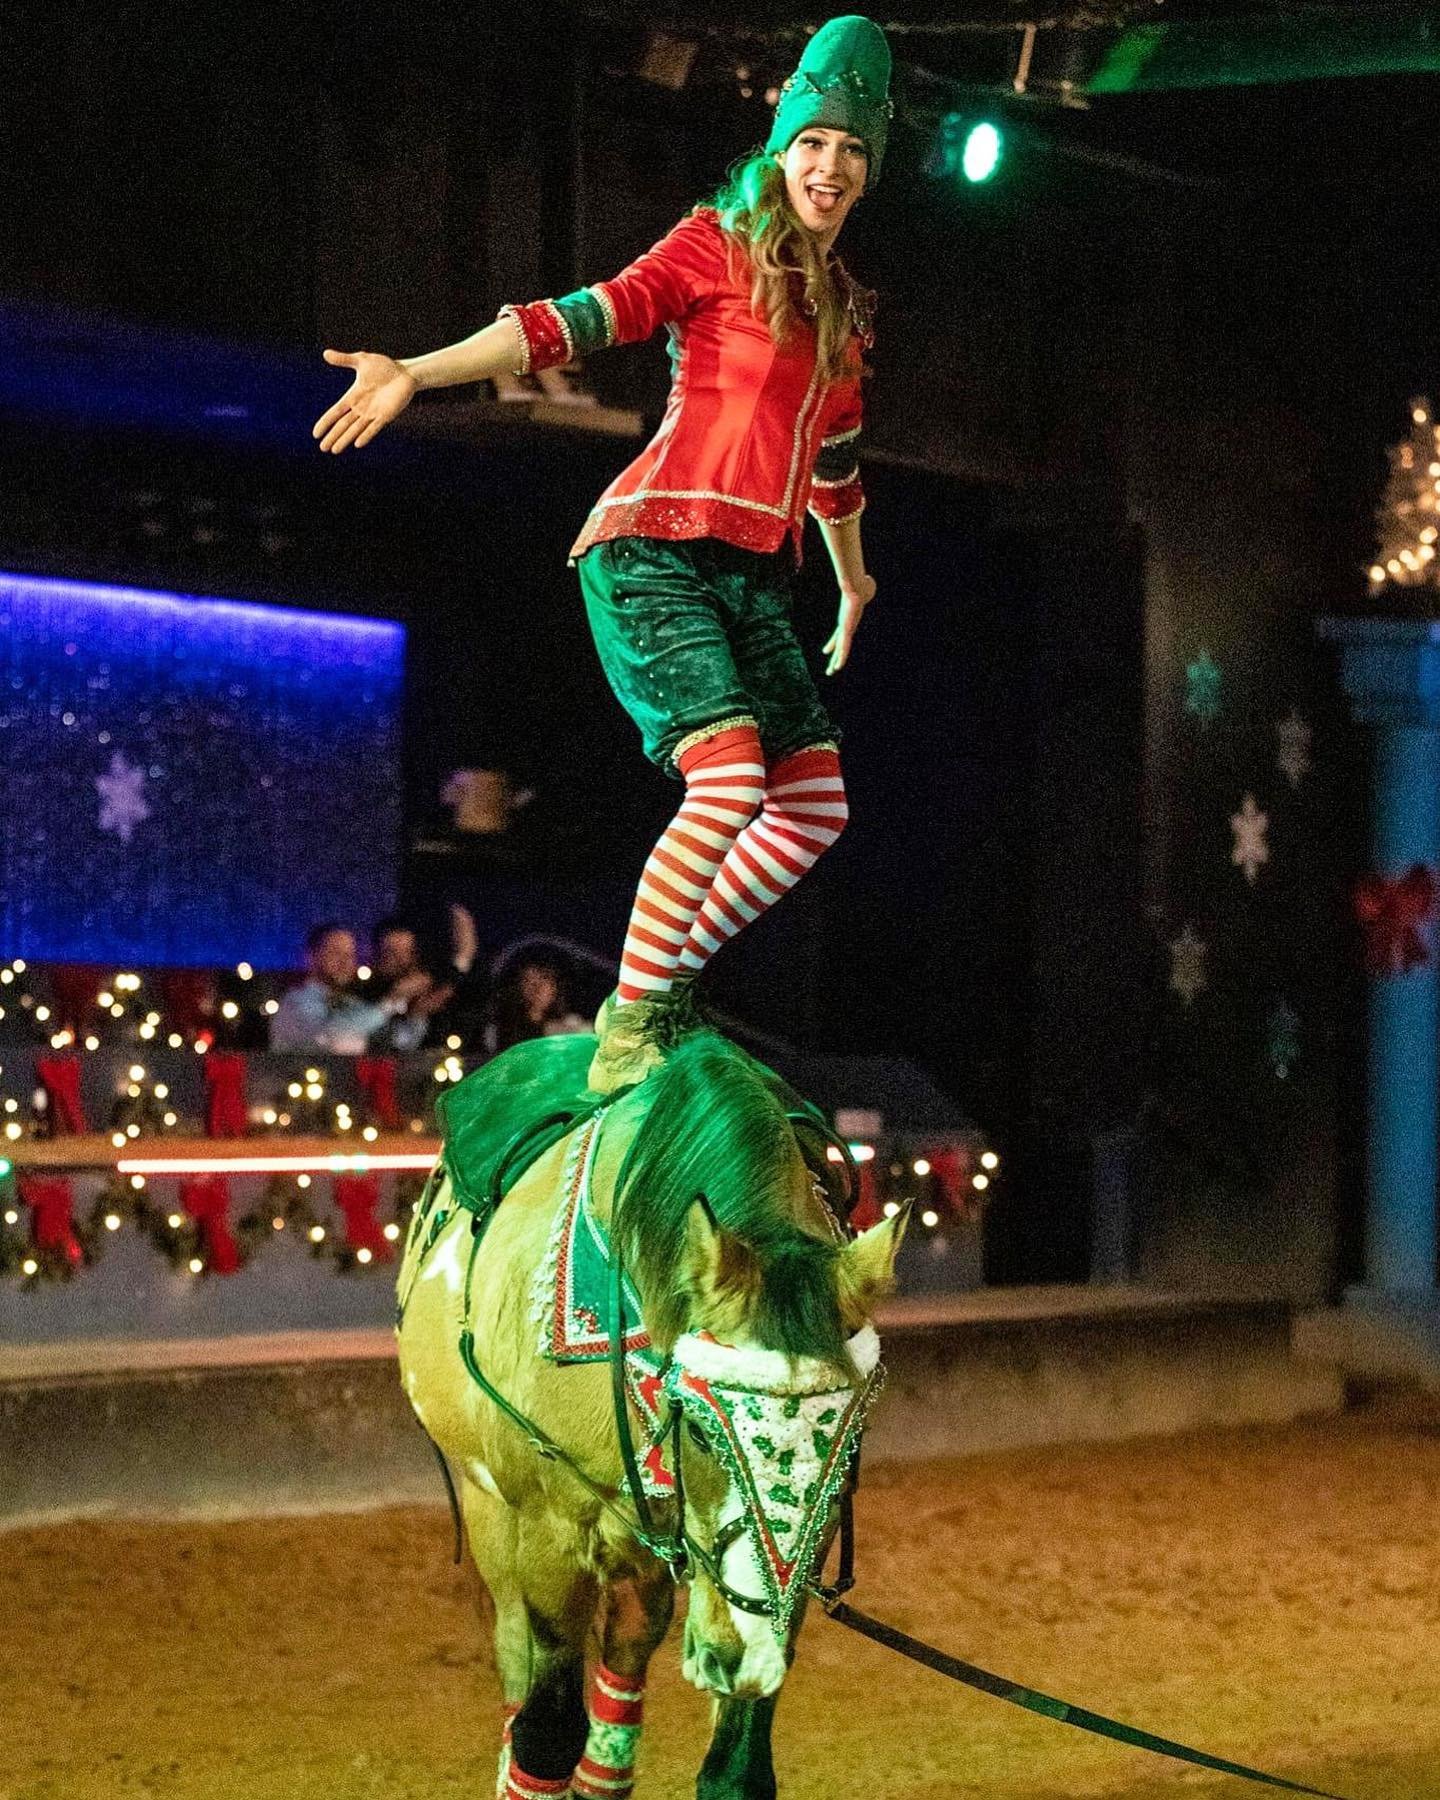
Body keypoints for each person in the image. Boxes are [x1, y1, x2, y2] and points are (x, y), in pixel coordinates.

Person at [313, 16, 891, 1091]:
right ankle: (634, 1024)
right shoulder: (715, 244)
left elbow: (835, 464)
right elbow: (578, 319)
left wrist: (851, 577)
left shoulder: (843, 318)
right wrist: (418, 372)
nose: (830, 166)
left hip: (756, 579)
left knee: (815, 807)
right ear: (781, 149)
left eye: (852, 150)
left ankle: (655, 983)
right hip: (654, 550)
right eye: (813, 142)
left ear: (869, 169)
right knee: (728, 784)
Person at [269, 923, 429, 1055]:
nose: (345, 962)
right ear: (311, 957)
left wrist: (418, 1015)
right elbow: (336, 1035)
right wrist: (391, 1001)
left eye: (350, 955)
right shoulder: (295, 1003)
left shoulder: (350, 1004)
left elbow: (399, 1041)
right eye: (335, 953)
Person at [482, 951, 590, 1056]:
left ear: (555, 987)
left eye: (544, 979)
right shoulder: (499, 1030)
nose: (537, 988)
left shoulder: (573, 1026)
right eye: (528, 980)